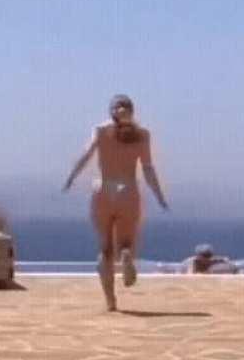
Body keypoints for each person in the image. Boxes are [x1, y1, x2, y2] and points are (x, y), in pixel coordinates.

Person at [63, 94, 169, 311]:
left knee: (105, 249)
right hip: (128, 190)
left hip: (103, 189)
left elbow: (86, 156)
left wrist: (71, 178)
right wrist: (159, 196)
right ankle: (126, 254)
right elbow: (148, 169)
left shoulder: (101, 131)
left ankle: (110, 301)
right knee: (127, 242)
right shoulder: (142, 135)